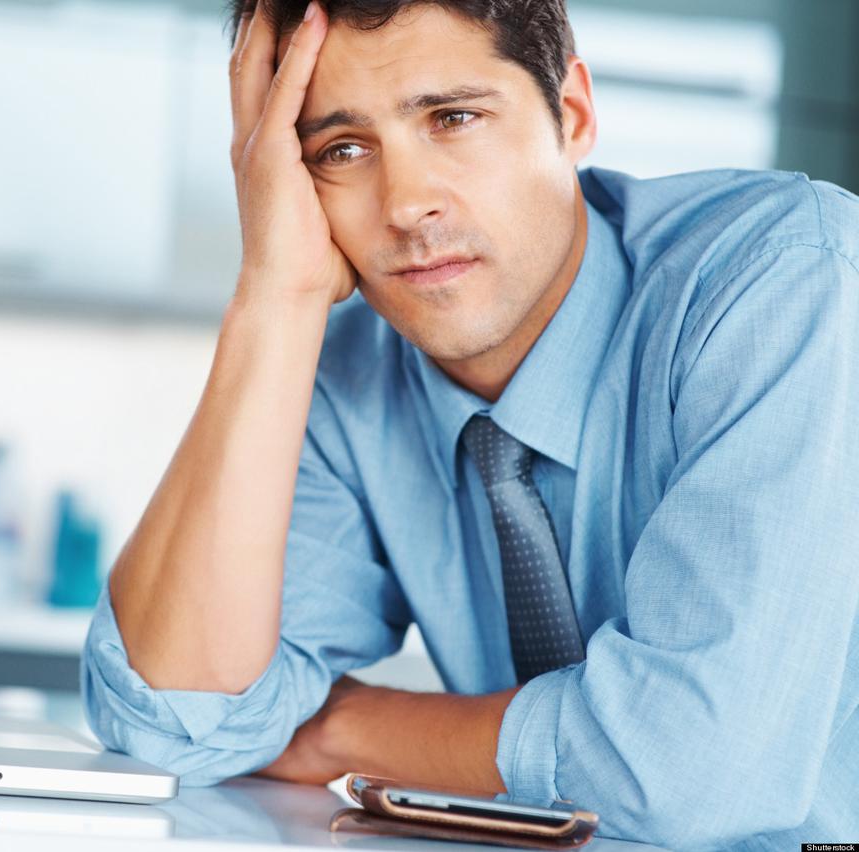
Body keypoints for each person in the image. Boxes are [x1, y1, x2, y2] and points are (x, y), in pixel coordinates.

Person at [80, 0, 859, 848]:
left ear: (572, 115)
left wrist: (337, 729)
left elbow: (699, 769)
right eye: (340, 150)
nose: (408, 203)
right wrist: (275, 293)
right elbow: (176, 721)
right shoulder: (348, 376)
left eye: (453, 118)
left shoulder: (786, 277)